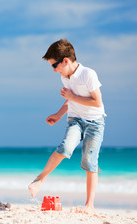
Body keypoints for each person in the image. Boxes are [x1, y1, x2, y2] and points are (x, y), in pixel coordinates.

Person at [28, 39, 106, 214]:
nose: (54, 70)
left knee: (89, 162)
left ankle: (90, 205)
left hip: (95, 122)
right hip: (75, 119)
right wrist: (58, 114)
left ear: (66, 61)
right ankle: (40, 179)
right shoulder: (65, 77)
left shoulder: (88, 74)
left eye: (55, 65)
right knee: (65, 148)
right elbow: (70, 100)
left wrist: (71, 96)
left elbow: (97, 102)